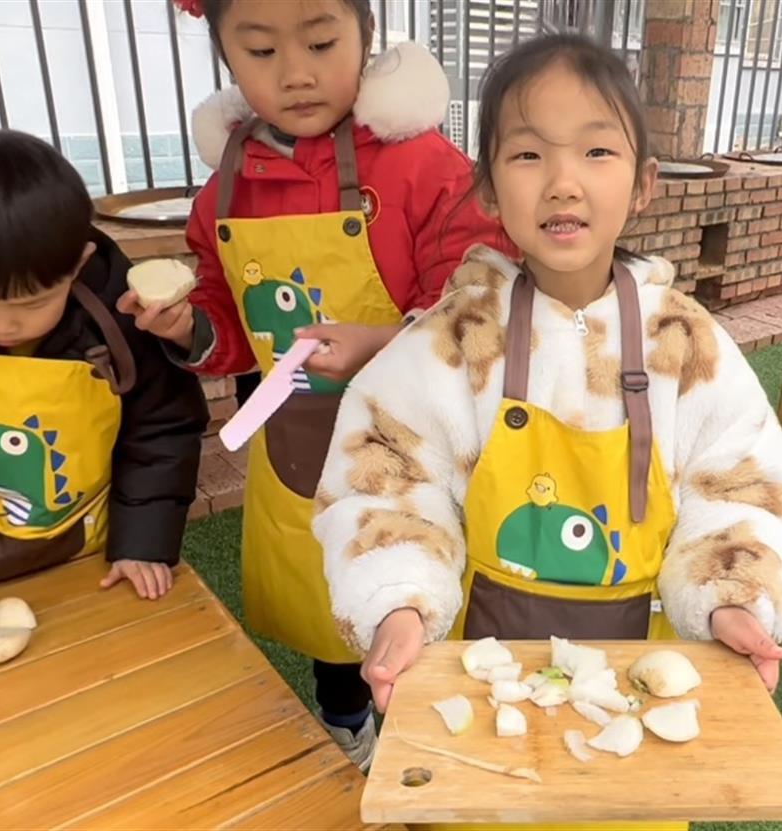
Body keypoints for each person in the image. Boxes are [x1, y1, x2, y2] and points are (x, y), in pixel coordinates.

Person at [315, 32, 782, 743]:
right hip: (483, 672)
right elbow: (384, 481)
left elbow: (741, 489)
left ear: (643, 183)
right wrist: (399, 603)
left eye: (597, 151)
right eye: (528, 154)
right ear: (488, 187)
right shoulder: (455, 340)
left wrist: (732, 597)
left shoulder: (686, 344)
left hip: (640, 680)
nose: (563, 182)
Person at [121, 0, 506, 770]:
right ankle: (346, 726)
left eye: (322, 42)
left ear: (366, 35)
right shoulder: (225, 190)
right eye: (261, 51)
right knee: (327, 602)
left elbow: (475, 303)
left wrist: (381, 344)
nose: (295, 74)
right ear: (225, 55)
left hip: (417, 448)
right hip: (297, 446)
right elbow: (228, 322)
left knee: (422, 591)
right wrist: (189, 327)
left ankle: (435, 735)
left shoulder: (425, 167)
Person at [0, 129, 207, 609]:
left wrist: (143, 542)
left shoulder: (115, 314)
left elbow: (162, 426)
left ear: (78, 264)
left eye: (32, 304)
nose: (1, 324)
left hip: (90, 553)